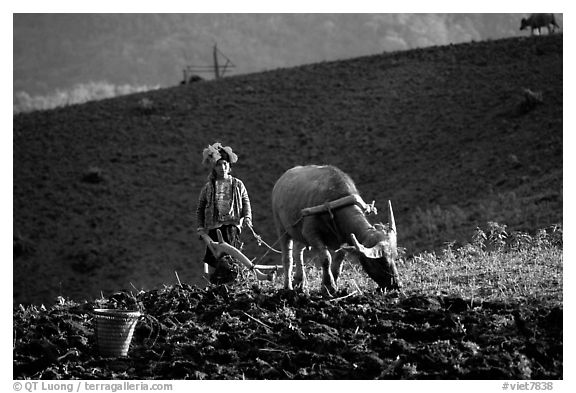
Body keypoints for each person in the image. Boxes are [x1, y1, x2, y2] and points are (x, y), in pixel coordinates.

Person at [196, 142, 252, 283]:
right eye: (219, 164)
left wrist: (247, 217)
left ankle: (233, 282)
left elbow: (246, 202)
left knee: (231, 258)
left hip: (231, 227)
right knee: (215, 258)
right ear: (214, 167)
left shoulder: (238, 184)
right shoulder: (208, 187)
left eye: (225, 164)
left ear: (229, 166)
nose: (222, 168)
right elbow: (201, 208)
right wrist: (200, 227)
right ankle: (216, 284)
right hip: (214, 228)